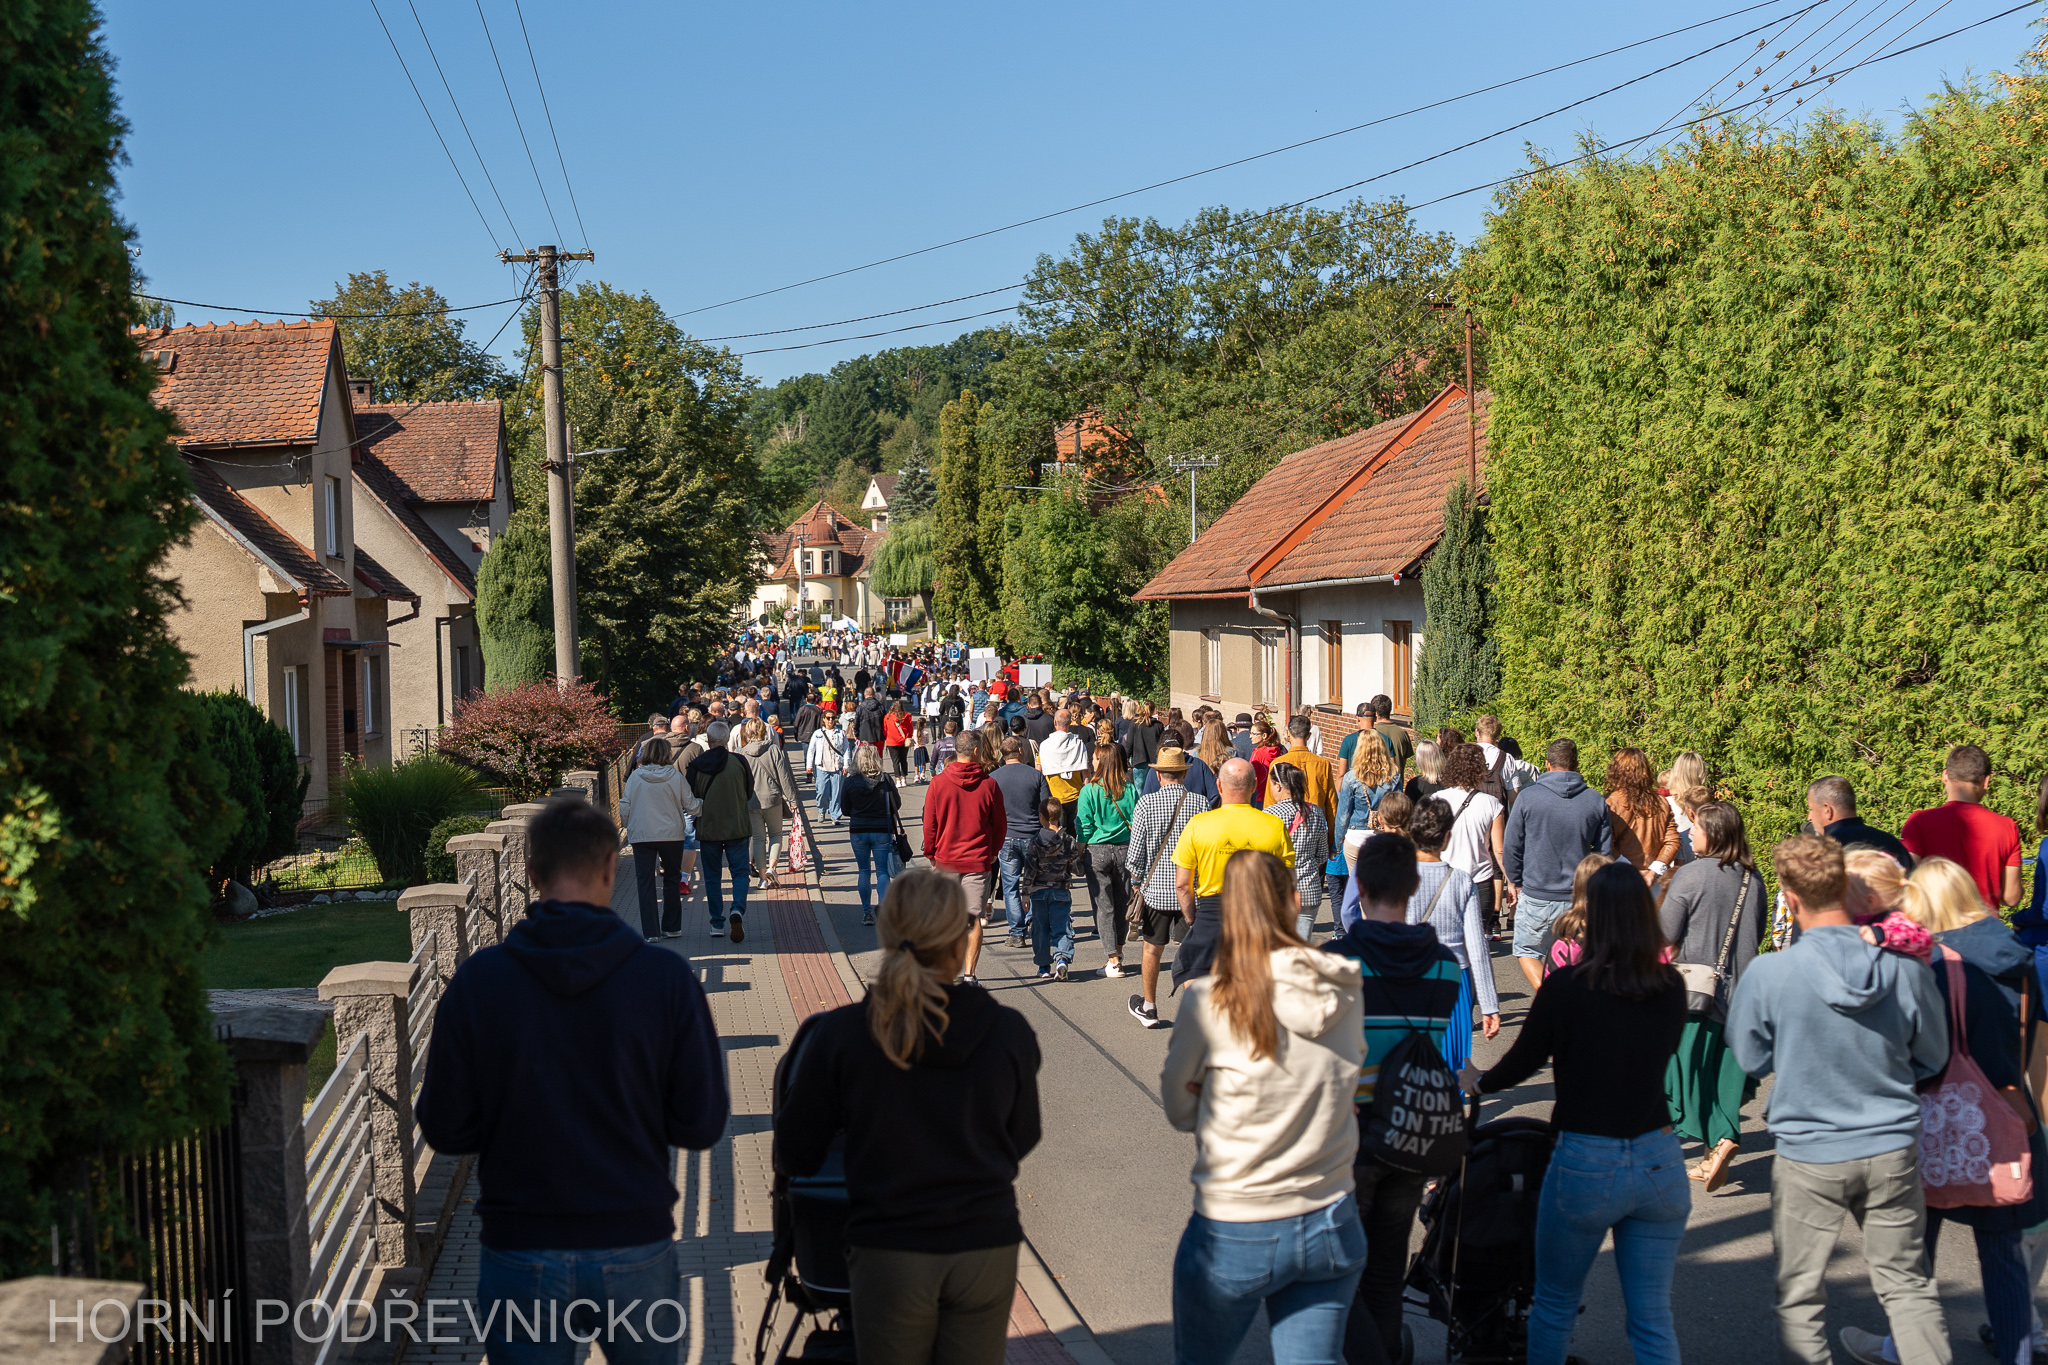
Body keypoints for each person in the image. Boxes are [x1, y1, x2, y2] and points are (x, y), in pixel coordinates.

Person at [418, 799, 728, 1365]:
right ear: (611, 866)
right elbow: (702, 1122)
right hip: (633, 1235)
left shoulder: (480, 982)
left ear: (532, 874)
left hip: (521, 1240)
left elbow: (444, 1126)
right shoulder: (665, 979)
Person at [778, 871, 1042, 1365]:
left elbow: (795, 1150)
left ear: (887, 933)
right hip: (984, 1244)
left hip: (890, 1246)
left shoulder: (844, 1034)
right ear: (961, 939)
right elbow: (1024, 1134)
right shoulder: (1007, 1031)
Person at [1726, 834, 1952, 1365]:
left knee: (1800, 1295)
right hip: (1890, 1144)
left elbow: (1751, 1058)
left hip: (1809, 1149)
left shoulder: (1770, 973)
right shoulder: (1903, 969)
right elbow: (1933, 1055)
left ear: (1791, 898)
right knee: (1907, 1286)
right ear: (1844, 888)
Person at [1462, 863, 1689, 1365]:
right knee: (1653, 1317)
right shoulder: (1669, 986)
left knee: (1555, 1303)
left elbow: (1525, 1059)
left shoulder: (1567, 986)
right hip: (1659, 1156)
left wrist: (1479, 1081)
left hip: (1586, 1154)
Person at [1838, 856, 2048, 1365]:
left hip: (1933, 1120)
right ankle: (2018, 1354)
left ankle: (1904, 1348)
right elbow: (2026, 1042)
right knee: (2001, 1252)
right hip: (2003, 1116)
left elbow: (1918, 1052)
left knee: (1915, 1246)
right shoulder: (2015, 954)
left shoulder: (1938, 962)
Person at [1161, 849, 1367, 1365]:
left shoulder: (1209, 1000)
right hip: (1330, 1213)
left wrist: (1212, 1095)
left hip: (1237, 1221)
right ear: (1295, 902)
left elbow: (1178, 1107)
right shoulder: (1344, 984)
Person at [1318, 834, 1460, 1365]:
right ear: (1413, 885)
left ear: (1360, 884)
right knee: (1384, 1269)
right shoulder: (1444, 967)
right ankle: (1386, 1349)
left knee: (1336, 1271)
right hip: (1409, 1131)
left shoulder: (1334, 963)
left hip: (1347, 1139)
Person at [1658, 801, 1768, 1191]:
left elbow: (1666, 932)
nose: (1691, 834)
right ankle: (1715, 1150)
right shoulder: (1753, 879)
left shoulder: (1691, 875)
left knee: (1680, 1071)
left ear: (1715, 833)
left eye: (1698, 828)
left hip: (1695, 992)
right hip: (1742, 994)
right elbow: (1757, 931)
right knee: (1721, 1075)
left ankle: (1706, 1141)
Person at [1385, 797, 1500, 1069]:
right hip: (1453, 976)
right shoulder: (1461, 881)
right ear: (1447, 836)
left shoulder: (1397, 876)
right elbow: (1477, 946)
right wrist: (1489, 1004)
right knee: (1453, 1061)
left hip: (1409, 975)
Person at [1172, 757, 1296, 990]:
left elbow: (1182, 885)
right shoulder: (1274, 826)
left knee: (1195, 978)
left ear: (1219, 785)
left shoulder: (1198, 824)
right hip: (1258, 916)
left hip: (1211, 914)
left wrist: (1192, 919)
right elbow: (1288, 885)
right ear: (1254, 785)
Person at [1502, 739, 1613, 993]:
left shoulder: (1528, 798)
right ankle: (1568, 999)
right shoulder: (1595, 800)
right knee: (1579, 957)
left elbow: (1512, 846)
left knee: (1527, 950)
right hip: (1580, 897)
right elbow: (1604, 854)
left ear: (1547, 764)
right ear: (1576, 764)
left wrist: (1516, 881)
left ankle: (1552, 996)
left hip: (1537, 892)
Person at [1125, 747, 1213, 1027]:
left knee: (1152, 949)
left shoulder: (1146, 804)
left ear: (1158, 775)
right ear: (1184, 774)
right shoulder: (1201, 804)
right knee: (1190, 954)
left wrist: (1137, 882)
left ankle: (1149, 1007)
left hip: (1156, 892)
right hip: (1192, 892)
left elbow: (1135, 856)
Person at [1903, 744, 2022, 910]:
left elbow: (1907, 880)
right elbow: (2011, 897)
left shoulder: (1919, 821)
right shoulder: (2007, 826)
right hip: (1984, 922)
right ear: (1986, 781)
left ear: (1945, 775)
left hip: (1936, 921)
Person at [619, 737, 699, 940]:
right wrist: (705, 805)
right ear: (666, 754)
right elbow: (691, 805)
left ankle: (651, 932)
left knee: (645, 882)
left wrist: (628, 823)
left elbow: (625, 805)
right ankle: (671, 927)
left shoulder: (635, 777)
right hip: (671, 835)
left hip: (642, 835)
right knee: (672, 878)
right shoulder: (675, 776)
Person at [687, 720, 756, 942]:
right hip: (737, 826)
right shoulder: (739, 762)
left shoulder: (696, 765)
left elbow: (691, 796)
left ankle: (716, 923)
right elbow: (749, 792)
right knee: (740, 873)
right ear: (727, 740)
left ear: (708, 740)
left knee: (712, 877)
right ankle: (737, 909)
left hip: (709, 828)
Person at [1439, 743, 1514, 940]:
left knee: (1446, 940)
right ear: (1481, 769)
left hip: (1444, 879)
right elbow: (1499, 850)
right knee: (1475, 940)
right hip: (1479, 881)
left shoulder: (1437, 800)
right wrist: (1512, 882)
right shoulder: (1492, 804)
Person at [1078, 742, 1139, 980]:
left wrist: (1079, 852)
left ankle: (1112, 959)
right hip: (1124, 849)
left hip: (1097, 850)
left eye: (1094, 758)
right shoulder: (1129, 789)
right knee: (1122, 904)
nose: (1092, 762)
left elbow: (1084, 826)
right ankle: (1118, 954)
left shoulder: (1089, 790)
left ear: (1101, 762)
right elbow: (1136, 821)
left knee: (1103, 907)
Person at [994, 737, 1053, 948]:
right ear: (1020, 751)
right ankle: (1034, 924)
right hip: (1032, 835)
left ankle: (1017, 932)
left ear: (1002, 754)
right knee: (1034, 883)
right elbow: (1047, 807)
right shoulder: (1036, 776)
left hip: (1006, 837)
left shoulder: (994, 778)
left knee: (1010, 886)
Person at [1020, 798, 1087, 981]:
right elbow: (1077, 868)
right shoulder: (1068, 840)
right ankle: (1062, 958)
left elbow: (1030, 871)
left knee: (1039, 929)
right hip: (1061, 891)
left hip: (1038, 893)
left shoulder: (1035, 842)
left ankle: (1043, 966)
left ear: (1041, 817)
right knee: (1062, 927)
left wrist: (1025, 894)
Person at [1333, 729, 1400, 908]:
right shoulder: (1394, 776)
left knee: (1358, 890)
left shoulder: (1351, 777)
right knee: (1381, 890)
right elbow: (1397, 809)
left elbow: (1343, 815)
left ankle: (1362, 921)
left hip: (1356, 837)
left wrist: (1336, 844)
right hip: (1383, 837)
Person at [1264, 761, 1332, 942]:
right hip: (1309, 890)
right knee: (1302, 947)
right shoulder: (1316, 812)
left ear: (1278, 786)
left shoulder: (1270, 814)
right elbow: (1322, 855)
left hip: (1278, 891)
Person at [842, 745, 901, 927]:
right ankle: (882, 904)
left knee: (863, 871)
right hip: (881, 829)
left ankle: (866, 913)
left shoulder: (850, 782)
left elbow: (845, 809)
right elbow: (897, 804)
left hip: (859, 830)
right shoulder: (885, 779)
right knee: (882, 871)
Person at [1606, 746, 1679, 889]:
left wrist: (1632, 870)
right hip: (1652, 881)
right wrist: (1652, 872)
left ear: (1616, 771)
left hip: (1621, 880)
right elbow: (1672, 841)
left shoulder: (1610, 804)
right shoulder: (1661, 802)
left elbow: (1606, 844)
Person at [739, 718, 799, 889]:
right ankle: (772, 867)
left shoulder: (740, 753)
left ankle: (763, 878)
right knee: (776, 835)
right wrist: (792, 800)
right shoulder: (773, 750)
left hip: (751, 802)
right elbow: (784, 777)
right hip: (773, 799)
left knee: (758, 839)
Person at [1807, 775, 1913, 871]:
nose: (1809, 817)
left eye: (1811, 809)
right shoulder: (1889, 841)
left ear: (1827, 810)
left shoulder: (1825, 851)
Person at [1039, 708, 1091, 836]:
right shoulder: (1078, 744)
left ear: (1055, 722)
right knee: (1075, 832)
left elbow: (1039, 771)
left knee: (1057, 833)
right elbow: (1085, 772)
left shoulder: (1045, 745)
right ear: (1069, 723)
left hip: (1054, 796)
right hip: (1076, 795)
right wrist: (1087, 794)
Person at [1276, 716, 1337, 825]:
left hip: (1285, 825)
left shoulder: (1278, 764)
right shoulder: (1323, 764)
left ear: (1288, 733)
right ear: (1308, 735)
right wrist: (1331, 833)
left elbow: (1270, 802)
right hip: (1315, 824)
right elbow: (1331, 804)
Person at [807, 711, 849, 825]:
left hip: (837, 767)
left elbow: (846, 750)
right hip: (822, 767)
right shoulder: (817, 734)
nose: (830, 720)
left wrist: (846, 765)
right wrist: (809, 766)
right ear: (824, 719)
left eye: (833, 718)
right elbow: (811, 750)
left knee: (836, 793)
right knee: (821, 791)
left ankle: (835, 815)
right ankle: (822, 810)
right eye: (828, 718)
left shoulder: (840, 733)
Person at [1368, 696, 1414, 780]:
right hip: (1397, 783)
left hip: (1376, 784)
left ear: (1376, 714)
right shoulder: (1402, 733)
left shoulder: (1370, 734)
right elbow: (1403, 763)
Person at [1125, 700, 1168, 785]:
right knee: (1154, 789)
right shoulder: (1158, 725)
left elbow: (1129, 744)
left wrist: (1126, 758)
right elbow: (1162, 745)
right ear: (1153, 710)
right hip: (1155, 762)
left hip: (1139, 761)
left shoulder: (1135, 724)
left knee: (1140, 790)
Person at [883, 698, 914, 779]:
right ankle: (904, 778)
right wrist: (909, 736)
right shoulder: (907, 716)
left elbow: (885, 730)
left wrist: (887, 737)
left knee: (895, 761)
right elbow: (910, 729)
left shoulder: (887, 717)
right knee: (903, 760)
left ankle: (897, 779)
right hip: (904, 741)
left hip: (891, 741)